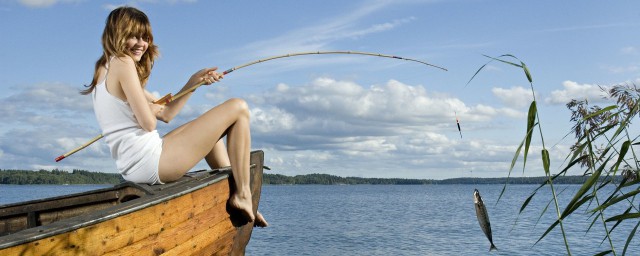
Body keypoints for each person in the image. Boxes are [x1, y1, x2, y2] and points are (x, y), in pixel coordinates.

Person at [82, 6, 267, 227]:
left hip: (135, 166)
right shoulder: (123, 63)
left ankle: (240, 194)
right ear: (118, 34)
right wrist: (147, 110)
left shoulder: (103, 67)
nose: (142, 43)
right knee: (238, 107)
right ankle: (244, 195)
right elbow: (149, 124)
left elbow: (167, 114)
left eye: (145, 37)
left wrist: (193, 83)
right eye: (134, 36)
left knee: (213, 136)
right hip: (150, 162)